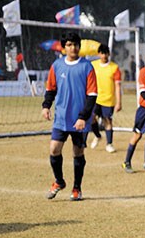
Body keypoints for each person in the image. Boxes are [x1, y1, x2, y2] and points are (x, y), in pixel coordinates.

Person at [40, 31, 97, 201]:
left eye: (76, 44)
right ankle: (59, 181)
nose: (73, 48)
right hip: (61, 118)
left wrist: (82, 117)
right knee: (54, 149)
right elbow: (51, 88)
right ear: (64, 47)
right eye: (69, 45)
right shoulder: (57, 65)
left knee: (77, 152)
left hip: (79, 119)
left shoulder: (87, 66)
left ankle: (77, 188)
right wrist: (46, 106)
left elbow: (92, 95)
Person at [89, 43, 122, 153]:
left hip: (108, 100)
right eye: (102, 53)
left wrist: (119, 102)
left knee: (107, 121)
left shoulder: (114, 68)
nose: (104, 55)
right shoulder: (93, 65)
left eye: (106, 53)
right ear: (98, 54)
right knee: (91, 118)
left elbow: (117, 86)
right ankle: (98, 136)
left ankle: (109, 144)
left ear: (109, 54)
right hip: (95, 98)